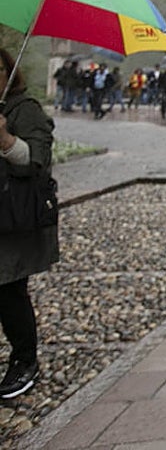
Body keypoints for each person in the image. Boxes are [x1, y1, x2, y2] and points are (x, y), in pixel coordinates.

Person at [0, 47, 57, 399]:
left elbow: (37, 159)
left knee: (8, 290)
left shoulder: (25, 111)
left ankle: (24, 361)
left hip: (11, 218)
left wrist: (5, 139)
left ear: (9, 73)